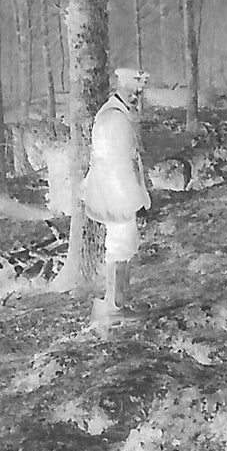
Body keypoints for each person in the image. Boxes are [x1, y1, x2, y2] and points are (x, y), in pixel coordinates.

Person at [81, 67, 151, 316]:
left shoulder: (118, 114)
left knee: (124, 245)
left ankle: (119, 301)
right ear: (120, 89)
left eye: (138, 94)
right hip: (117, 191)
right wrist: (134, 201)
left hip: (116, 189)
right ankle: (114, 305)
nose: (135, 98)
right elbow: (120, 166)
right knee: (121, 245)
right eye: (131, 92)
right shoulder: (115, 119)